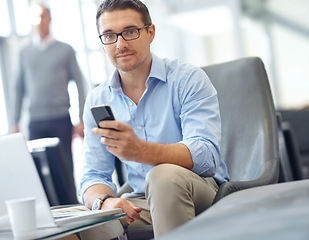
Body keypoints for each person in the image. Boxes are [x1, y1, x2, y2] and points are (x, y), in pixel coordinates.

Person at [79, 0, 229, 238]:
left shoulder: (187, 79)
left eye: (129, 32)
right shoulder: (97, 99)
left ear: (150, 32)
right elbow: (93, 176)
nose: (120, 44)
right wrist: (104, 202)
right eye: (109, 36)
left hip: (201, 190)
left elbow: (206, 155)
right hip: (142, 201)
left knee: (164, 177)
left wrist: (141, 151)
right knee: (74, 226)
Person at [11, 1, 87, 203]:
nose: (38, 21)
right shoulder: (24, 53)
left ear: (49, 18)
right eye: (34, 17)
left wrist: (81, 118)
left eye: (42, 16)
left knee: (64, 169)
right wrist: (14, 121)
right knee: (36, 173)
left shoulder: (65, 50)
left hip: (60, 118)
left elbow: (80, 84)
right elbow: (18, 89)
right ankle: (48, 213)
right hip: (35, 121)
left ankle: (72, 209)